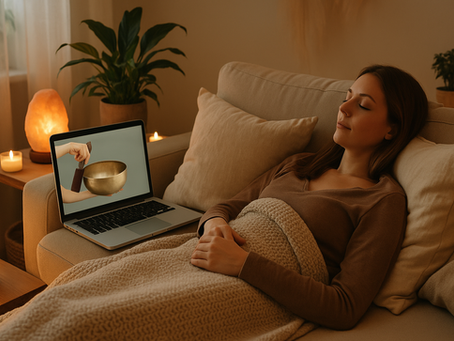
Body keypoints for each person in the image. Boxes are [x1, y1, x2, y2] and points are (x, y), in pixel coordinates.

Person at [191, 65, 429, 330]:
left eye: (363, 105)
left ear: (392, 130)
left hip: (245, 287)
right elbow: (225, 207)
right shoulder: (299, 164)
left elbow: (345, 306)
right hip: (202, 256)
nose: (344, 108)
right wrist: (214, 225)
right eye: (346, 97)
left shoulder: (383, 200)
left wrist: (243, 264)